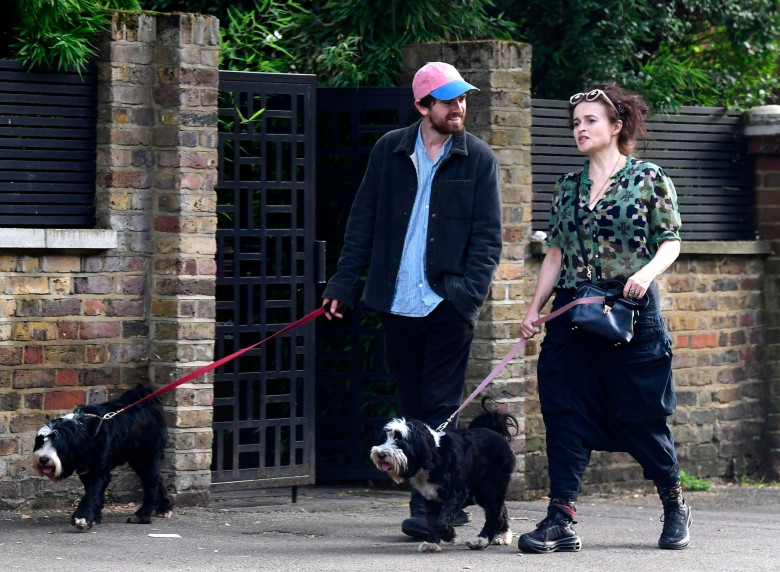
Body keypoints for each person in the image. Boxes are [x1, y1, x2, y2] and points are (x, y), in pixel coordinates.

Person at [321, 61, 503, 539]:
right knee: (413, 404)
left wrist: (464, 297)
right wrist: (343, 284)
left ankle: (436, 508)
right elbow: (362, 220)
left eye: (463, 99)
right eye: (449, 100)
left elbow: (488, 239)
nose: (459, 107)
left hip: (447, 304)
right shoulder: (389, 150)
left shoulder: (479, 158)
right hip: (395, 301)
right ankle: (446, 499)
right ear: (423, 105)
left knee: (440, 407)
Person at [517, 83, 690, 553]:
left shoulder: (648, 177)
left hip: (630, 314)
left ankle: (674, 502)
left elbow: (670, 240)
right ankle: (561, 518)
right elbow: (555, 253)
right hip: (573, 314)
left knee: (641, 416)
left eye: (590, 120)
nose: (580, 128)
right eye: (575, 122)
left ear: (617, 126)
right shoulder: (567, 187)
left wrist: (646, 273)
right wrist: (534, 309)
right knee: (564, 412)